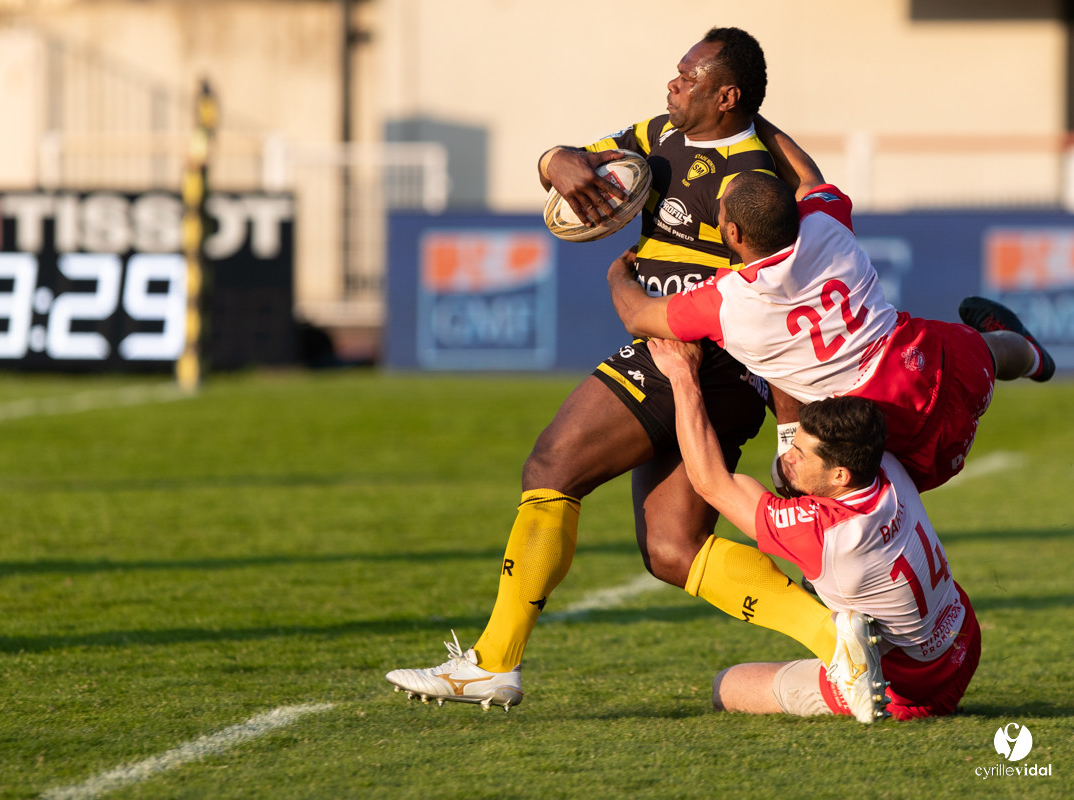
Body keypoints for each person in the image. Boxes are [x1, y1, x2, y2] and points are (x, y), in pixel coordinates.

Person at [387, 27, 842, 711]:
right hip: (690, 365)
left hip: (696, 358)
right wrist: (556, 161)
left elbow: (777, 300)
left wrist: (789, 428)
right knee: (674, 548)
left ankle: (493, 661)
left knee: (550, 468)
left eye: (689, 77)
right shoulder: (659, 135)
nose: (672, 84)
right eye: (676, 72)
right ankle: (841, 640)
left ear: (727, 96)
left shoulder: (752, 182)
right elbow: (572, 159)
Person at [607, 124, 1055, 493]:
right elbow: (808, 173)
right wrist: (755, 122)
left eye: (721, 212)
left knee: (796, 487)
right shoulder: (825, 226)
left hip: (874, 425)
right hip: (926, 357)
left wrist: (617, 275)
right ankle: (1034, 357)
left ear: (735, 234)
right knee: (993, 349)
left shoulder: (729, 303)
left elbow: (636, 315)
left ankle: (823, 596)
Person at [649, 336, 981, 722]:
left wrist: (681, 375)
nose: (787, 456)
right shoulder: (884, 461)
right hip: (963, 639)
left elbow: (710, 481)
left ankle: (854, 665)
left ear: (840, 475)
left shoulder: (823, 532)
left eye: (800, 454)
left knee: (726, 686)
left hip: (908, 691)